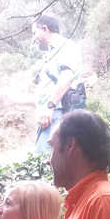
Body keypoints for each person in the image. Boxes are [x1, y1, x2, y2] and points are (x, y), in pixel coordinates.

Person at [32, 15, 87, 154]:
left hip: (58, 115)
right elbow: (43, 94)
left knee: (47, 164)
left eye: (34, 32)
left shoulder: (65, 46)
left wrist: (49, 107)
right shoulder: (50, 56)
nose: (34, 38)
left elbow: (67, 77)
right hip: (49, 117)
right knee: (44, 163)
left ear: (45, 28)